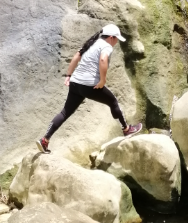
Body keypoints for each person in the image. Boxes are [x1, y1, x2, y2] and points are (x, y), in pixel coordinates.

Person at [36, 23, 143, 153]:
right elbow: (103, 60)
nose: (116, 42)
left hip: (75, 83)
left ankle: (45, 140)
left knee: (65, 112)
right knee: (113, 102)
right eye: (116, 39)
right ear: (111, 37)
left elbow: (76, 56)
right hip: (89, 84)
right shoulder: (106, 46)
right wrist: (103, 80)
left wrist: (68, 75)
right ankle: (126, 129)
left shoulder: (92, 43)